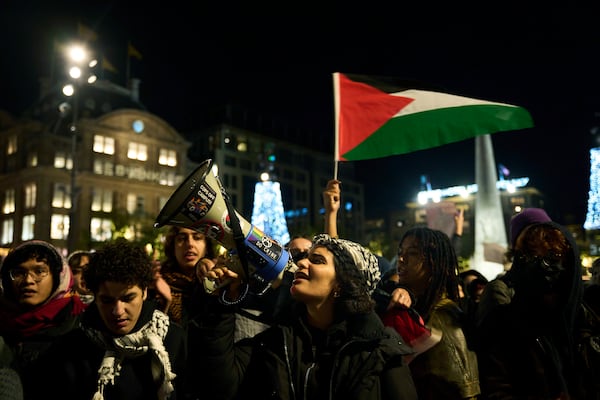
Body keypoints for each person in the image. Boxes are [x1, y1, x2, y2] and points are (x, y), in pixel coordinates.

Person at [193, 233, 418, 400]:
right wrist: (223, 304)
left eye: (317, 260)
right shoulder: (275, 342)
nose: (300, 262)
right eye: (304, 257)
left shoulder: (380, 352)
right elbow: (222, 388)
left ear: (342, 283)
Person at [40, 238, 187, 399]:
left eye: (128, 298)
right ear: (94, 297)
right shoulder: (71, 348)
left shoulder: (174, 339)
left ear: (144, 292)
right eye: (107, 301)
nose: (118, 311)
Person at [475, 220, 589, 399]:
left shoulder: (586, 321)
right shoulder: (502, 325)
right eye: (530, 257)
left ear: (568, 262)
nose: (542, 266)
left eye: (552, 256)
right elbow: (496, 389)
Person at [382, 226, 480, 399]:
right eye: (400, 252)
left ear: (434, 263)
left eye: (412, 253)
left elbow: (464, 389)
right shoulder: (415, 308)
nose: (401, 259)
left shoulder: (442, 317)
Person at [0, 240, 86, 399]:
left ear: (58, 276)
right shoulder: (3, 323)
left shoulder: (81, 324)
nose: (28, 281)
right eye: (18, 273)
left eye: (39, 271)